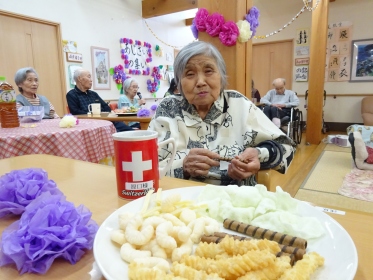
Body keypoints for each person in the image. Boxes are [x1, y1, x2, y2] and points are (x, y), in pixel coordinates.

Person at [148, 41, 296, 186]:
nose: (200, 82)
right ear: (179, 82)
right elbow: (147, 167)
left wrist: (259, 154)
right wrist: (183, 166)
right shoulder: (168, 108)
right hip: (180, 199)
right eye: (190, 73)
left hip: (235, 199)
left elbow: (287, 147)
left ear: (221, 76)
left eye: (208, 71)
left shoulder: (239, 104)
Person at [66, 68, 133, 131]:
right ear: (80, 79)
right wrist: (94, 114)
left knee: (130, 131)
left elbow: (107, 108)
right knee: (117, 135)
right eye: (89, 77)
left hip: (108, 121)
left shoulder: (93, 94)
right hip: (91, 125)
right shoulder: (71, 95)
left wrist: (102, 114)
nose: (91, 80)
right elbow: (75, 112)